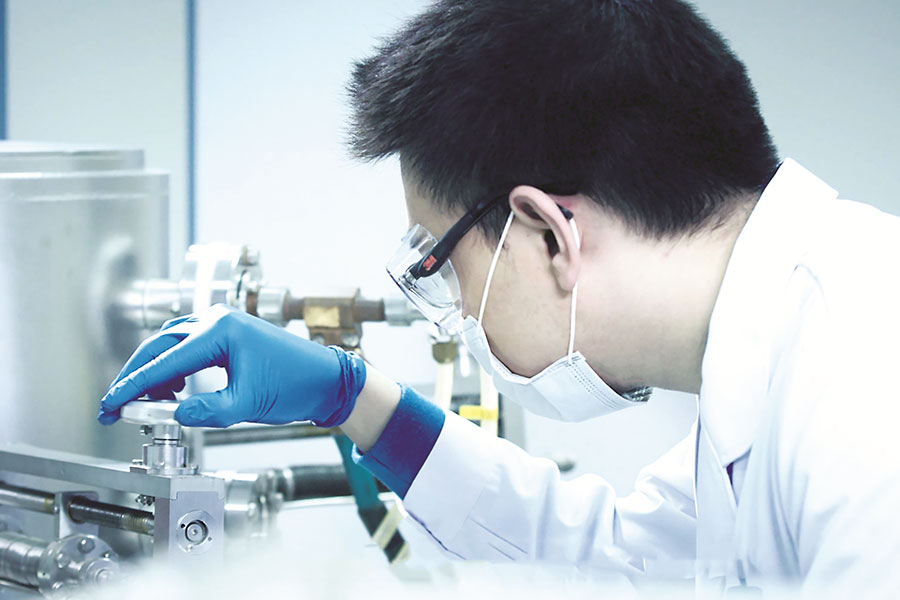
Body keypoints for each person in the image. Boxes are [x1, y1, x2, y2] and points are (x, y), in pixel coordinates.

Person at [97, 0, 900, 596]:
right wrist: (357, 401)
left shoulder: (866, 374)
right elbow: (617, 559)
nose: (453, 315)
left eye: (442, 267)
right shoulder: (784, 356)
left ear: (548, 235)